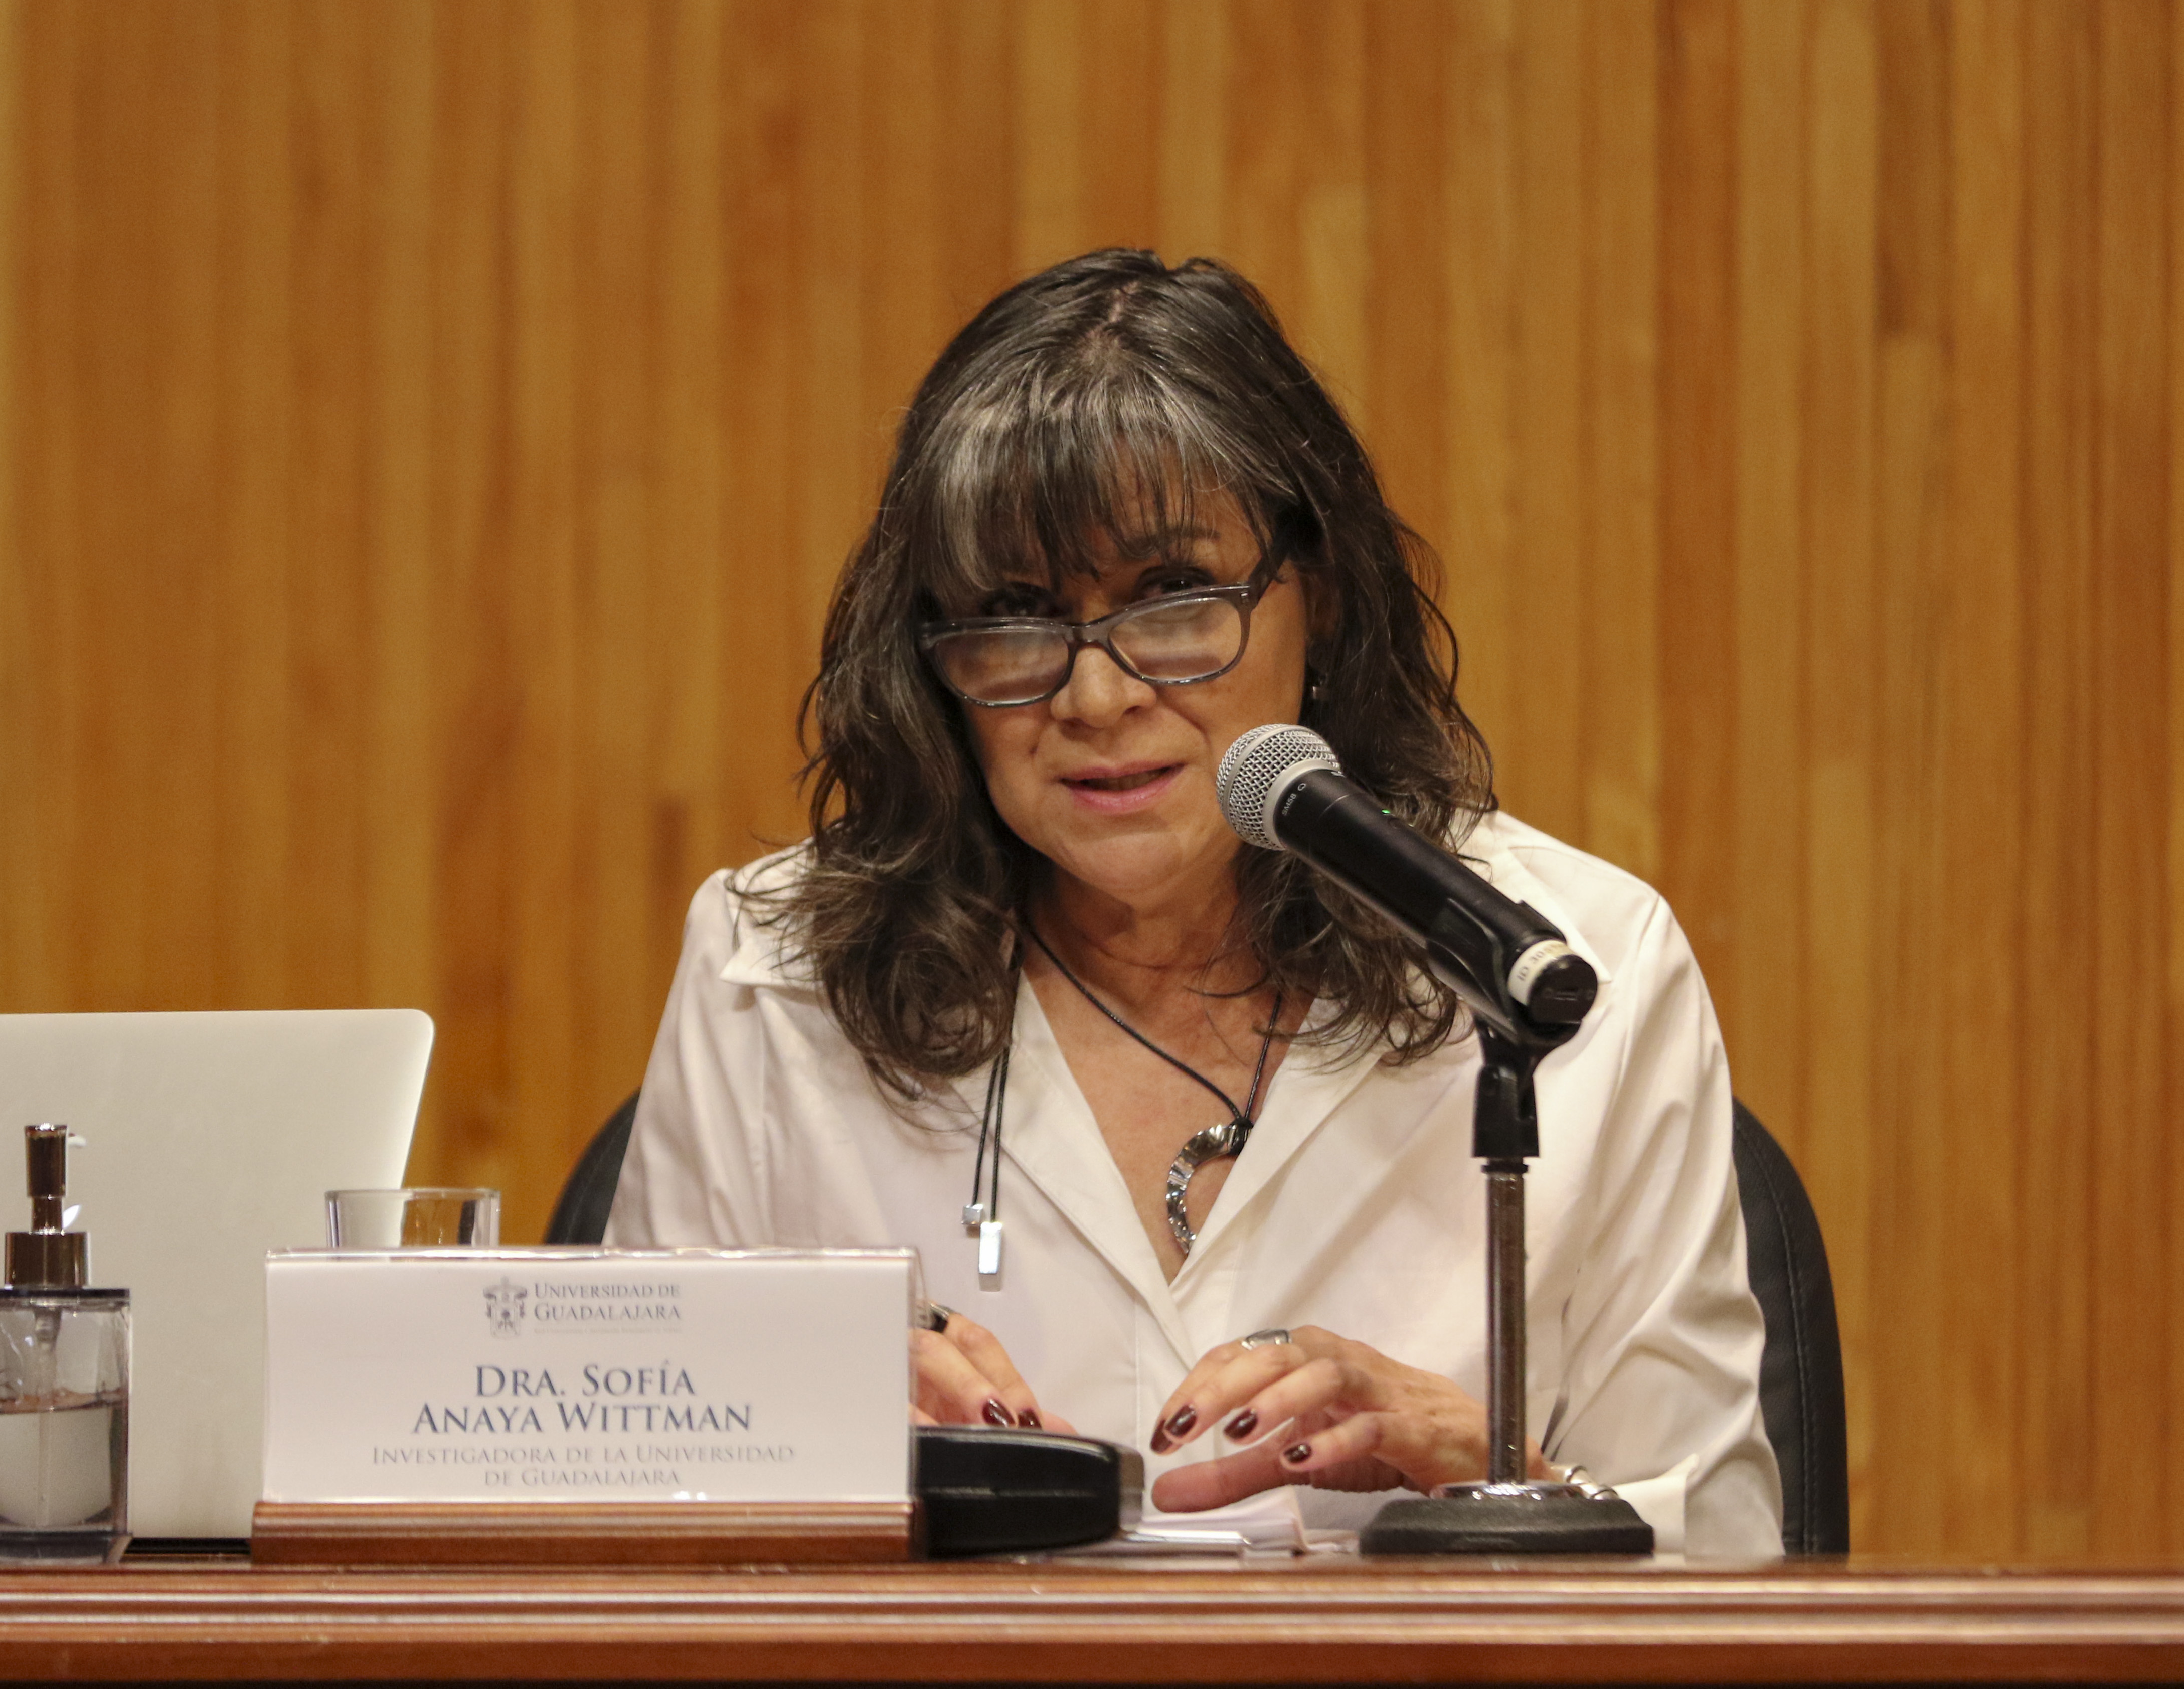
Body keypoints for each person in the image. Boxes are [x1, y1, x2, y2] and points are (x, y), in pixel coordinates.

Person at [606, 249, 1781, 1555]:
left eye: (1172, 598)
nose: (1096, 696)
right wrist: (779, 1423)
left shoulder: (1568, 966)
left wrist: (1500, 1478)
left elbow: (1731, 1562)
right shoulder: (773, 976)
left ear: (1318, 592)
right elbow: (612, 1546)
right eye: (1012, 614)